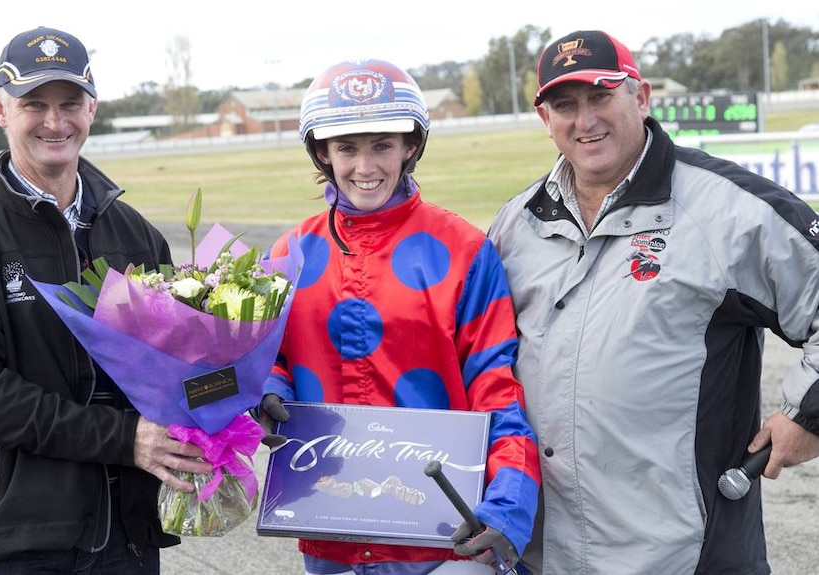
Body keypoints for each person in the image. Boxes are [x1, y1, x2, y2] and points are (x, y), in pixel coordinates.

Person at [487, 29, 819, 574]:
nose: (584, 119)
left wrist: (809, 414)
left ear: (640, 98)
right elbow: (472, 357)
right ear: (545, 119)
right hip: (544, 556)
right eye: (565, 105)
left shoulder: (729, 211)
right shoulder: (516, 225)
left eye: (601, 96)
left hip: (683, 556)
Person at [254, 58, 541, 575]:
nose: (366, 167)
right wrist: (271, 389)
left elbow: (497, 389)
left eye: (382, 145)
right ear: (323, 152)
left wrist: (508, 508)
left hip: (439, 542)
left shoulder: (464, 250)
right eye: (347, 148)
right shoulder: (289, 251)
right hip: (330, 538)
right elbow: (274, 359)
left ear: (411, 145)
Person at [0, 26, 213, 574]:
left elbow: (182, 366)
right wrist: (124, 439)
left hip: (129, 536)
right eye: (34, 105)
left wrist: (232, 400)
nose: (55, 122)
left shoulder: (138, 235)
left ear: (91, 109)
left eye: (70, 103)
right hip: (16, 538)